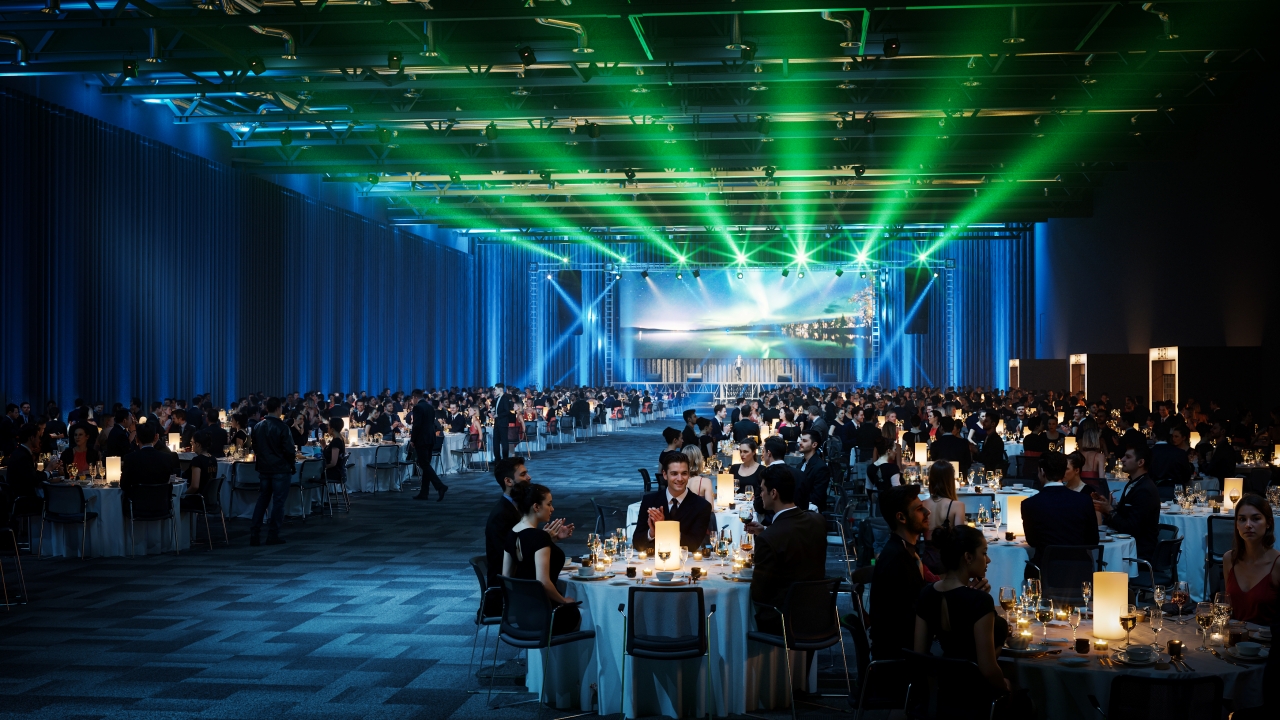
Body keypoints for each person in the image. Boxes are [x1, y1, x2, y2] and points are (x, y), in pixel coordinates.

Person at [913, 525, 1010, 695]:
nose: (988, 560)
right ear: (968, 557)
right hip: (975, 693)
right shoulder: (980, 601)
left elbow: (919, 654)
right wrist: (1005, 687)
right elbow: (988, 670)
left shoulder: (926, 593)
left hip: (943, 692)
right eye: (984, 553)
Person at [743, 464, 826, 634]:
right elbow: (795, 537)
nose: (760, 494)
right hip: (821, 614)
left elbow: (759, 593)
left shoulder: (769, 538)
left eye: (762, 490)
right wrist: (766, 531)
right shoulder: (818, 521)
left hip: (784, 620)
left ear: (774, 493)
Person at [502, 482, 580, 635]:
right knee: (586, 611)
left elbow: (506, 576)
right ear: (536, 507)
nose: (552, 509)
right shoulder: (539, 537)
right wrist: (564, 600)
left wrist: (550, 540)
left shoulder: (512, 533)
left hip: (522, 615)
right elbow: (543, 581)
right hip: (547, 614)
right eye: (549, 504)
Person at [870, 485, 932, 660]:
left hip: (906, 647)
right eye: (919, 509)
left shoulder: (905, 550)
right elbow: (908, 618)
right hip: (899, 659)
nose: (927, 512)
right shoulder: (896, 560)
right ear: (901, 517)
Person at [1020, 451, 1100, 573]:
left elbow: (1032, 541)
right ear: (1063, 472)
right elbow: (1092, 541)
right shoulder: (1084, 500)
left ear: (1042, 471)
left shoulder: (1030, 504)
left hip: (1045, 570)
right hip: (1080, 570)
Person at [634, 451, 713, 552]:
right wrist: (652, 533)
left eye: (684, 473)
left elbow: (693, 544)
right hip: (654, 560)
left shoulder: (702, 506)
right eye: (674, 474)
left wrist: (664, 526)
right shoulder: (649, 501)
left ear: (688, 474)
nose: (679, 479)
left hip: (685, 560)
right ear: (665, 475)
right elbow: (637, 543)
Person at [1092, 444, 1161, 560]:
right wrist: (1105, 509)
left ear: (1140, 462)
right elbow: (1122, 517)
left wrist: (1110, 511)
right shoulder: (1134, 483)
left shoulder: (1145, 490)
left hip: (1138, 551)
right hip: (1129, 546)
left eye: (1128, 457)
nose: (1122, 459)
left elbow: (1131, 528)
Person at [1223, 494, 1279, 625]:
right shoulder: (1229, 559)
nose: (1248, 525)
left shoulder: (1277, 563)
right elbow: (1228, 606)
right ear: (1237, 525)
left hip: (1267, 637)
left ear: (1269, 523)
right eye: (1242, 519)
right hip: (1234, 635)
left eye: (1256, 519)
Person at [248, 397, 296, 546]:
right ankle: (273, 534)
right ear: (279, 408)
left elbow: (255, 447)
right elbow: (289, 450)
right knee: (278, 502)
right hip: (280, 468)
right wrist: (291, 464)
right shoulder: (283, 427)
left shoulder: (258, 426)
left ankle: (255, 533)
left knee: (262, 500)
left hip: (264, 467)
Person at [410, 393, 449, 501]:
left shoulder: (418, 407)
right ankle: (424, 492)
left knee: (424, 464)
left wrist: (413, 439)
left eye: (412, 399)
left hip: (422, 439)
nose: (411, 401)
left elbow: (417, 425)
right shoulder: (430, 407)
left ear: (415, 397)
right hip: (431, 438)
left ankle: (440, 486)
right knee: (426, 465)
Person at [120, 422, 179, 493]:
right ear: (155, 437)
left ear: (137, 439)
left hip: (138, 498)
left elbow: (123, 485)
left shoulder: (130, 458)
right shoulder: (166, 458)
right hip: (161, 498)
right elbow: (170, 483)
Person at [922, 461, 966, 541]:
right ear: (950, 481)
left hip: (926, 548)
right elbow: (959, 539)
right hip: (948, 549)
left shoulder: (922, 504)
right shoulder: (958, 506)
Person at [180, 429, 220, 514]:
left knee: (174, 500)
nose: (191, 445)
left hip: (198, 500)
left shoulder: (197, 461)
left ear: (198, 444)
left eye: (192, 443)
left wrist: (183, 494)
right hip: (210, 499)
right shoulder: (213, 459)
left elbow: (195, 486)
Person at [794, 429, 830, 511]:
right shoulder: (800, 465)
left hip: (811, 512)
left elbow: (817, 497)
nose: (800, 443)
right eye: (801, 440)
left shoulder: (821, 467)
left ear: (814, 445)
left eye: (804, 441)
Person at [493, 383, 516, 461]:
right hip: (497, 423)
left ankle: (505, 459)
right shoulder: (497, 399)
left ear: (500, 389)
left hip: (503, 423)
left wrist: (498, 415)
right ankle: (497, 459)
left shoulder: (505, 398)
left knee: (504, 442)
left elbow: (507, 411)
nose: (495, 391)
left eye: (496, 389)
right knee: (495, 442)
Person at [324, 417, 347, 486]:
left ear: (332, 429)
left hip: (334, 472)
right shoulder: (340, 439)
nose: (327, 428)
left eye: (328, 426)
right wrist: (324, 446)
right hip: (338, 471)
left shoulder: (336, 442)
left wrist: (323, 467)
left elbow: (333, 463)